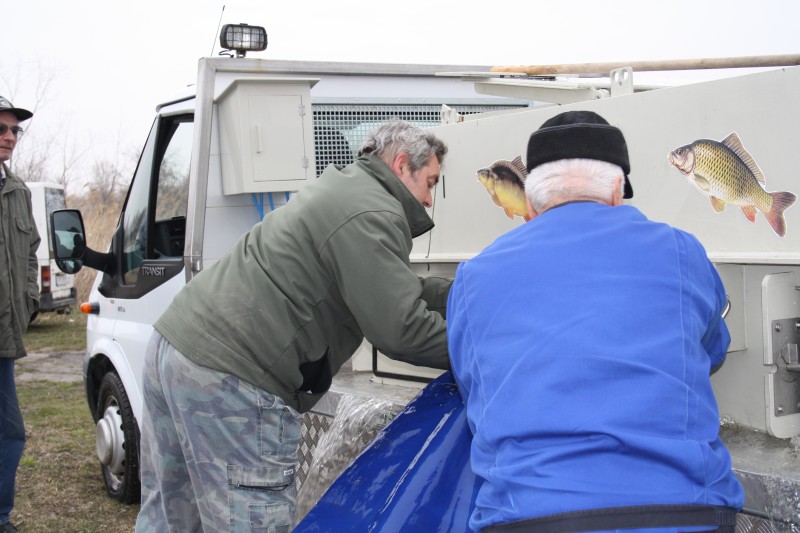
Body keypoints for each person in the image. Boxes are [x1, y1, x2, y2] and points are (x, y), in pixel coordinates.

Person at [135, 119, 452, 532]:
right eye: (430, 182)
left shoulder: (344, 191)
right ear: (401, 164)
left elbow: (394, 286)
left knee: (172, 518)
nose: (428, 200)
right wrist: (482, 349)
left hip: (175, 346)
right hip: (232, 378)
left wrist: (465, 291)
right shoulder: (373, 212)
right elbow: (400, 328)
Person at [447, 111, 744, 533]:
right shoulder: (682, 251)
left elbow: (473, 384)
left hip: (527, 518)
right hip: (685, 512)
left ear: (530, 202)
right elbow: (713, 351)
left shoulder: (473, 277)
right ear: (617, 193)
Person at [0, 96, 40, 533]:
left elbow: (30, 252)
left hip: (4, 339)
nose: (10, 137)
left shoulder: (19, 192)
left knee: (10, 433)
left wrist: (28, 298)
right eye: (2, 129)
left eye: (15, 130)